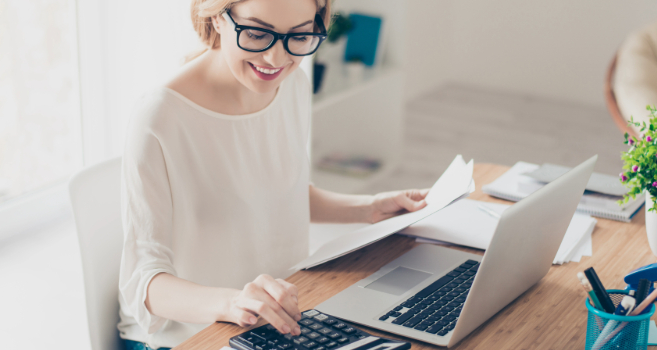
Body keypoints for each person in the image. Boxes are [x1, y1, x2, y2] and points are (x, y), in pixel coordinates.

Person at [117, 0, 428, 349]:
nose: (277, 59)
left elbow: (281, 194)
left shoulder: (291, 84)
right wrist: (232, 302)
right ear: (219, 18)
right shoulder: (160, 116)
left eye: (299, 36)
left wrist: (369, 208)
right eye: (256, 33)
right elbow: (143, 282)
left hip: (279, 323)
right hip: (191, 337)